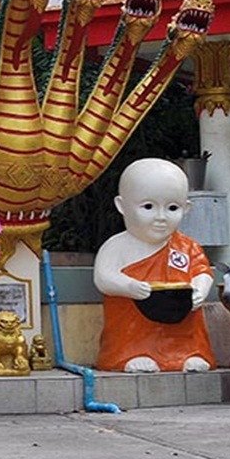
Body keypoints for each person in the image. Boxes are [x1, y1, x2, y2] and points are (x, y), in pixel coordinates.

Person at [93, 158, 215, 372]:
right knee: (129, 328)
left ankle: (187, 354)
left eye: (172, 208)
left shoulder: (186, 246)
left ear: (186, 208)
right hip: (133, 325)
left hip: (180, 319)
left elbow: (202, 271)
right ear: (122, 206)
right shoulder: (117, 246)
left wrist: (200, 289)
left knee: (188, 326)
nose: (161, 217)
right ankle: (132, 354)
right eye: (148, 207)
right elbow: (103, 277)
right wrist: (129, 286)